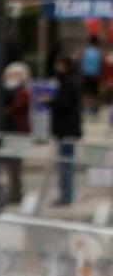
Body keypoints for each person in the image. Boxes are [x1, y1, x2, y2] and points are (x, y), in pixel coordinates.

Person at [53, 54, 85, 209]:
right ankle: (66, 195)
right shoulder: (68, 82)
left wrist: (51, 102)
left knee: (66, 164)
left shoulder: (68, 83)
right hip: (67, 129)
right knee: (65, 163)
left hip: (67, 130)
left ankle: (66, 196)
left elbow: (64, 105)